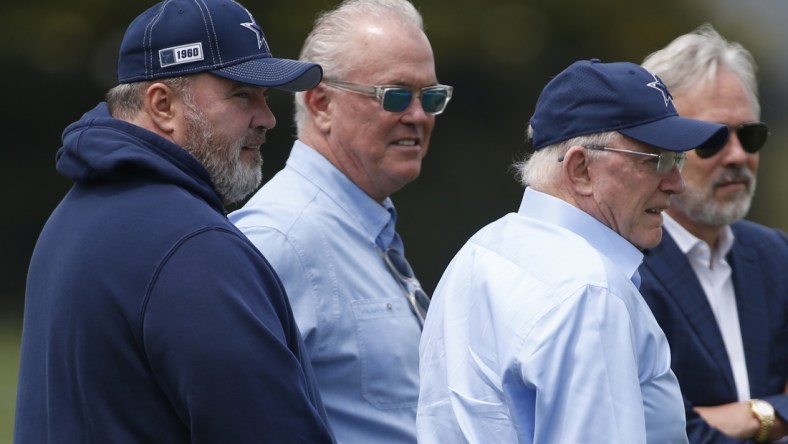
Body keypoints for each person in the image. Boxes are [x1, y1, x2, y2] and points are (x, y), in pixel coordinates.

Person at [14, 0, 335, 442]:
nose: (268, 118)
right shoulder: (193, 247)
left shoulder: (70, 219)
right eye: (242, 94)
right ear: (162, 105)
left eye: (264, 97)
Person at [417, 59, 729, 443]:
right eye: (658, 160)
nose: (676, 183)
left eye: (678, 160)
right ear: (580, 169)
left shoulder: (480, 250)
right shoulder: (591, 292)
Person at [229, 0, 449, 441]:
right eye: (397, 96)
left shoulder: (364, 227)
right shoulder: (279, 238)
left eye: (432, 97)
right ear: (321, 102)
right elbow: (231, 419)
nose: (419, 115)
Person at [638, 24, 788, 444]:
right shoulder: (622, 268)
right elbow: (656, 432)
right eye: (712, 138)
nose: (738, 155)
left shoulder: (774, 254)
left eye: (750, 134)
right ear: (658, 147)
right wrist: (769, 414)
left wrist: (737, 418)